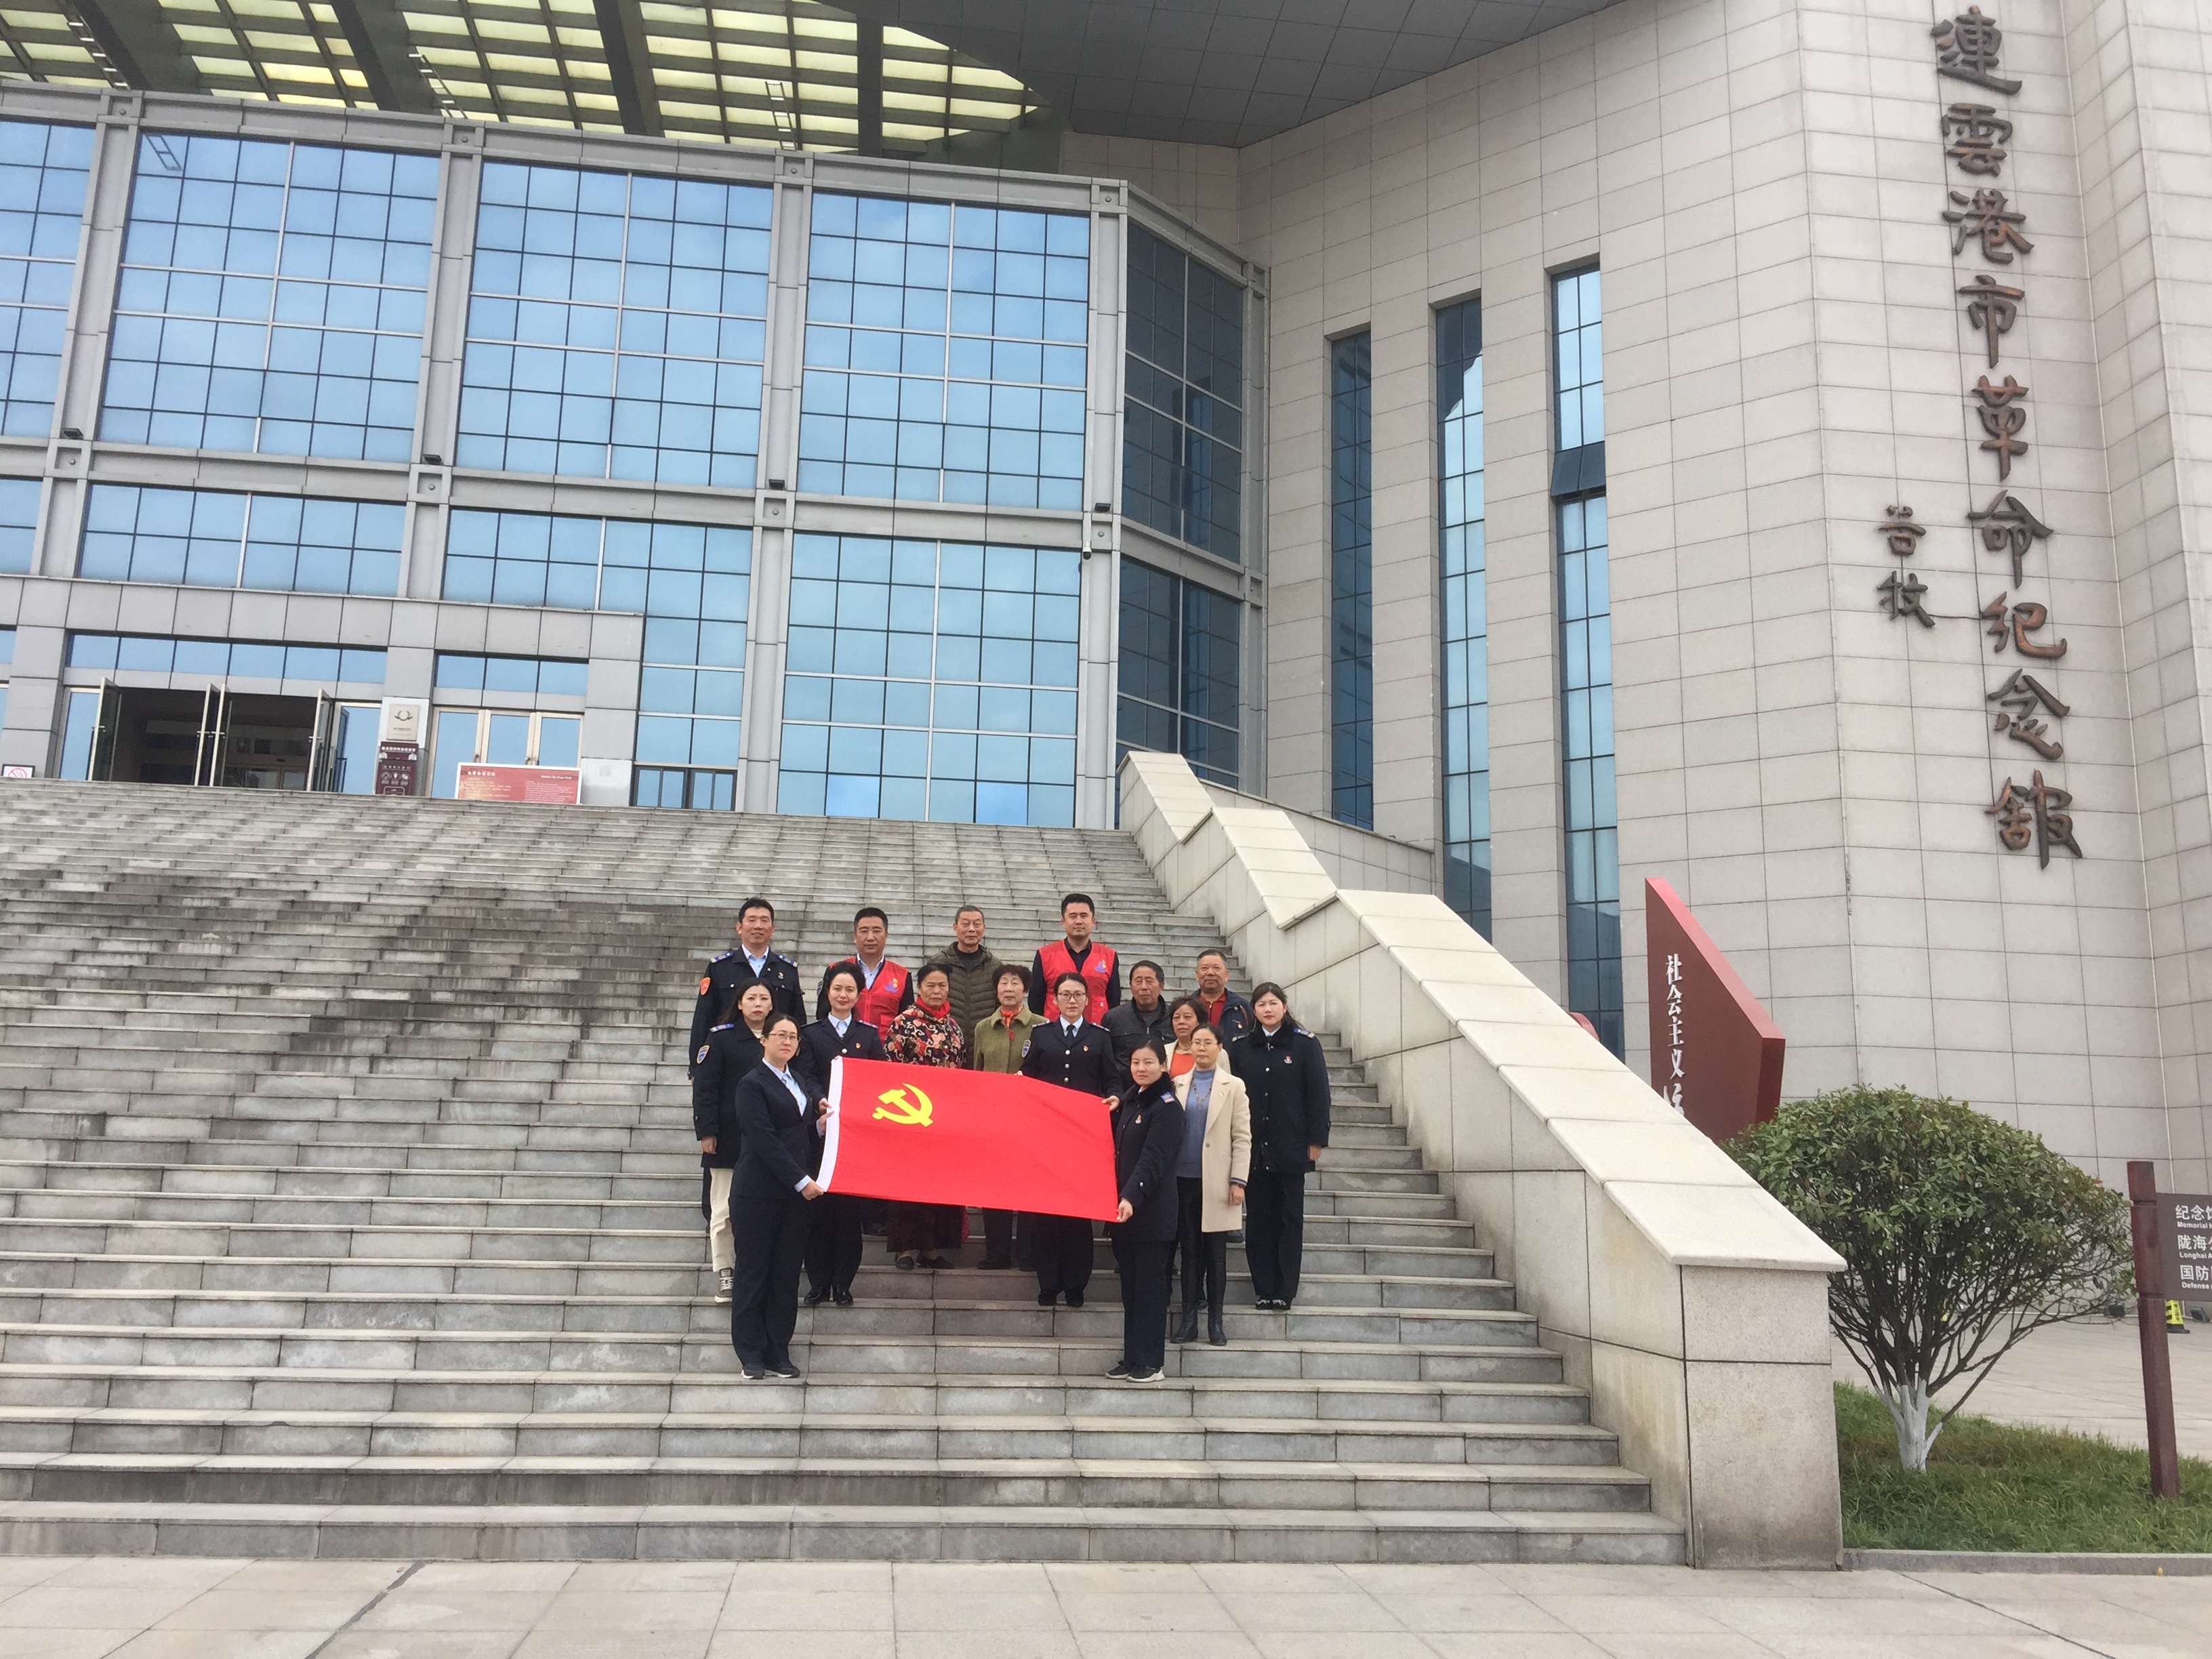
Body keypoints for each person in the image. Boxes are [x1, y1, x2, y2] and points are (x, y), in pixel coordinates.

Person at [727, 1012, 826, 1380]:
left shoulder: (798, 1080)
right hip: (758, 1193)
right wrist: (802, 1181)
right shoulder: (751, 1084)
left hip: (794, 1198)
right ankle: (750, 1353)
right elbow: (764, 1139)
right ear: (764, 1040)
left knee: (786, 1275)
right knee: (753, 1273)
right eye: (780, 1035)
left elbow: (799, 1132)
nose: (787, 1041)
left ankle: (778, 1350)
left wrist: (820, 1126)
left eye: (793, 1037)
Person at [1227, 983, 1332, 1312]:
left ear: (1284, 1007)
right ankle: (1264, 1288)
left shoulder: (1304, 1044)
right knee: (1259, 1220)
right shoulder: (1241, 1047)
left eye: (1273, 1003)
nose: (1268, 1009)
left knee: (1289, 1219)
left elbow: (1318, 1094)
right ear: (1254, 1010)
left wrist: (1316, 1140)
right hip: (1254, 1148)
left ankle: (1285, 1290)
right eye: (1261, 1004)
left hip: (1292, 1146)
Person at [1021, 970, 1116, 1307]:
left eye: (1078, 995)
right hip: (1047, 1138)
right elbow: (1028, 1077)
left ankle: (1076, 1285)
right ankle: (1048, 1284)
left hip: (1083, 1138)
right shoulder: (1041, 1034)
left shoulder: (1100, 1037)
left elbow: (1112, 1080)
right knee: (1047, 1213)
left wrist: (1115, 1097)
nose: (1072, 1000)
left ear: (1087, 1000)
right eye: (1065, 994)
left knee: (1078, 1215)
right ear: (1055, 999)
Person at [796, 964, 886, 1309]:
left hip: (854, 1139)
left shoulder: (869, 1035)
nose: (843, 995)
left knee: (849, 1217)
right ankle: (818, 1283)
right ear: (827, 992)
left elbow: (879, 1079)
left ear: (858, 995)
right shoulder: (811, 1034)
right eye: (837, 989)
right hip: (819, 1136)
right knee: (818, 1213)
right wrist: (819, 1099)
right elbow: (805, 1076)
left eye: (850, 990)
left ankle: (843, 1284)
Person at [691, 981, 774, 1304]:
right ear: (739, 1004)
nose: (758, 1003)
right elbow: (706, 1087)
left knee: (762, 1210)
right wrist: (707, 1131)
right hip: (728, 1136)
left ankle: (756, 1270)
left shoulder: (781, 1036)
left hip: (768, 1139)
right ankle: (725, 1271)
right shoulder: (721, 1037)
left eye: (764, 998)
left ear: (772, 1005)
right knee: (724, 1209)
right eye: (751, 998)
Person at [1107, 1038, 1184, 1383]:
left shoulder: (1166, 1107)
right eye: (1136, 1062)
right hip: (1125, 1214)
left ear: (1163, 1066)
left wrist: (1131, 1197)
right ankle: (1132, 1356)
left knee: (1150, 1291)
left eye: (1148, 1062)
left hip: (1151, 1214)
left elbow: (1153, 1160)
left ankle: (1151, 1362)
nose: (1141, 1068)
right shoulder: (1132, 1101)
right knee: (1131, 1290)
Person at [881, 962, 966, 1270]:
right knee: (907, 1185)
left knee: (937, 1185)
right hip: (910, 1115)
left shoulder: (954, 1027)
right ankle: (904, 1249)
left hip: (944, 1120)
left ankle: (930, 1249)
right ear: (919, 988)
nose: (936, 991)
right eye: (931, 985)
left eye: (942, 985)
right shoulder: (903, 1023)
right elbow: (890, 1069)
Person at [1170, 1023, 1250, 1347]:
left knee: (1216, 1255)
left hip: (1218, 1180)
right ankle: (1189, 1320)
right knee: (1189, 1253)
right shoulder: (1177, 1083)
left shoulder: (1234, 1086)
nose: (1201, 1048)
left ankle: (1216, 1322)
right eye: (1196, 1043)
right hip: (1183, 1179)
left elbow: (1242, 1137)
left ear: (1219, 1048)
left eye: (1207, 1043)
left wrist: (1238, 1181)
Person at [968, 962, 1042, 1271]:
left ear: (1026, 991)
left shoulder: (1042, 1026)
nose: (1009, 988)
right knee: (994, 1187)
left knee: (1028, 1188)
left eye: (1015, 983)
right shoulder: (983, 1028)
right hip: (993, 1121)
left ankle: (1028, 1252)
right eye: (1003, 983)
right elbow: (977, 1072)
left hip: (1029, 1121)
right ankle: (996, 1253)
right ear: (996, 990)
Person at [689, 897, 802, 1076]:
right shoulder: (720, 968)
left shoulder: (787, 970)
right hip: (729, 1060)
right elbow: (703, 1019)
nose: (758, 926)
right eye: (752, 920)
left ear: (772, 929)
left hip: (776, 1062)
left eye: (764, 920)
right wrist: (696, 1069)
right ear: (739, 927)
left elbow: (798, 1019)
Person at [815, 906, 914, 1036]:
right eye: (864, 931)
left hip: (884, 1046)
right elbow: (822, 1015)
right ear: (855, 936)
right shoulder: (836, 971)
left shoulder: (902, 975)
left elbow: (907, 1021)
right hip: (843, 1044)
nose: (870, 937)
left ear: (886, 936)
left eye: (877, 931)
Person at [1027, 892, 1120, 1024]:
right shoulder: (1045, 955)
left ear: (1093, 922)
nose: (1079, 921)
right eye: (1073, 916)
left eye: (1084, 916)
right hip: (1054, 1030)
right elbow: (1035, 1001)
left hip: (1096, 1030)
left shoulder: (1109, 956)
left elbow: (1114, 1000)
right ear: (1063, 922)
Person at [935, 905, 1002, 1063]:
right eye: (965, 924)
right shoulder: (938, 964)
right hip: (945, 1048)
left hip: (983, 1049)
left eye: (977, 924)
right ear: (955, 927)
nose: (972, 929)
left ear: (984, 928)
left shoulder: (996, 967)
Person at [1103, 960, 1172, 1088]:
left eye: (1150, 981)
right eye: (1138, 981)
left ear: (1161, 986)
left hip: (1164, 1090)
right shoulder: (1114, 1018)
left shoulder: (1174, 1017)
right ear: (1131, 987)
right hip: (1124, 1091)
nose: (1144, 987)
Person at [1193, 950, 1254, 1042]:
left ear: (1227, 974)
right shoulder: (1187, 1006)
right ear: (1197, 975)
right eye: (1204, 968)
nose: (1210, 973)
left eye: (1216, 968)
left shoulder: (1242, 1007)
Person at [1164, 998, 1204, 1079]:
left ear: (1199, 1021)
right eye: (1176, 1018)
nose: (1181, 1022)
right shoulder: (1163, 1051)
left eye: (1187, 1017)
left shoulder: (1216, 1052)